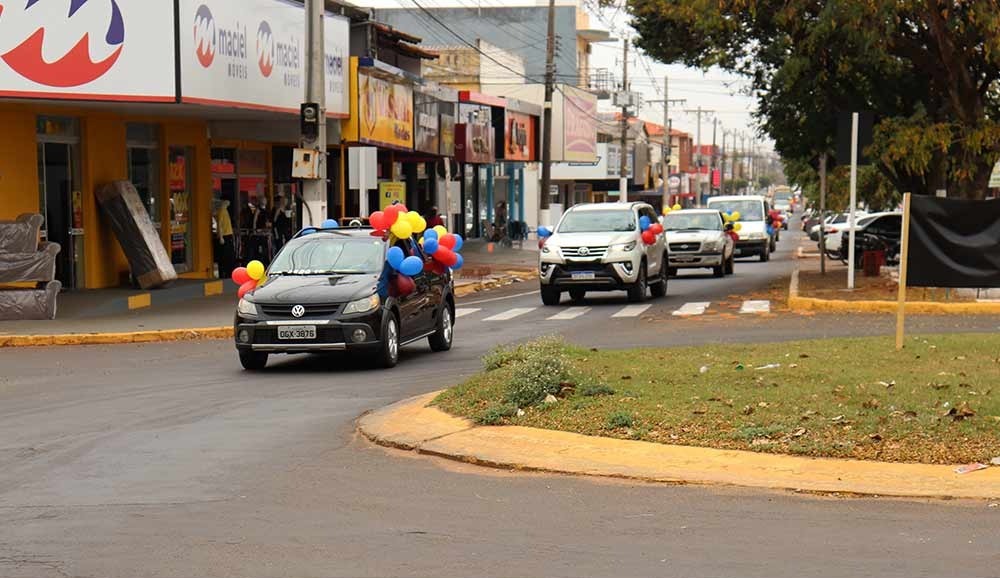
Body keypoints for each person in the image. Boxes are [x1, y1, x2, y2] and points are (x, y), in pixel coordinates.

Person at [214, 199, 235, 278]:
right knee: (226, 256)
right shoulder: (222, 211)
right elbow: (219, 225)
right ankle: (226, 273)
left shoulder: (225, 210)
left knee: (229, 256)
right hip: (225, 235)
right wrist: (221, 237)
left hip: (228, 234)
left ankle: (228, 272)